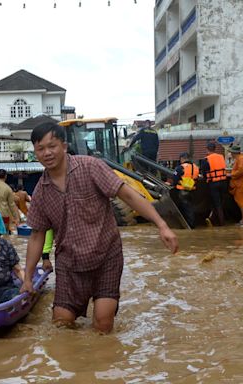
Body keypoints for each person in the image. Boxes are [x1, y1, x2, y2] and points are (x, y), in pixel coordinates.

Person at [20, 122, 178, 334]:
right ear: (35, 153)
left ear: (64, 146)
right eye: (41, 149)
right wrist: (28, 279)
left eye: (52, 146)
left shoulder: (90, 167)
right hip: (70, 264)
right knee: (61, 324)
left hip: (106, 257)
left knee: (103, 325)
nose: (47, 153)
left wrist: (162, 225)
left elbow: (128, 195)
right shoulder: (40, 192)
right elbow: (37, 236)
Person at [200, 141, 227, 226]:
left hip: (213, 184)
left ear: (207, 149)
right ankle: (215, 219)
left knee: (217, 203)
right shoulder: (221, 157)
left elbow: (204, 173)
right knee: (221, 202)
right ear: (215, 149)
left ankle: (221, 223)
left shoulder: (206, 160)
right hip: (223, 182)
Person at [171, 152, 199, 229]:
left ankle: (189, 226)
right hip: (192, 190)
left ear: (182, 158)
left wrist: (174, 185)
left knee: (185, 209)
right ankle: (192, 224)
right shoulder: (195, 167)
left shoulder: (180, 167)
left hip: (182, 191)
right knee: (190, 208)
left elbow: (175, 178)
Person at [228, 145, 243, 226]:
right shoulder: (240, 158)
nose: (231, 154)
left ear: (234, 153)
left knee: (242, 202)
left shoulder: (241, 159)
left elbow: (241, 171)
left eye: (231, 152)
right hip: (241, 184)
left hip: (241, 184)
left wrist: (231, 175)